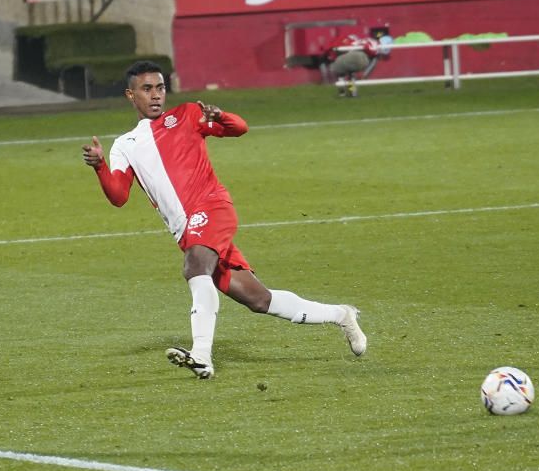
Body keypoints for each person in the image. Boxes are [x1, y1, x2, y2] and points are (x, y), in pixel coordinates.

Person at [81, 61, 367, 380]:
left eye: (160, 87)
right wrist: (100, 166)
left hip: (212, 208)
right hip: (188, 230)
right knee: (258, 299)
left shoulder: (188, 114)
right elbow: (118, 196)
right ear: (130, 95)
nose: (156, 95)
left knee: (194, 267)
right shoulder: (124, 145)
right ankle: (341, 315)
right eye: (146, 89)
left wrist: (221, 117)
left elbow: (239, 128)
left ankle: (201, 355)